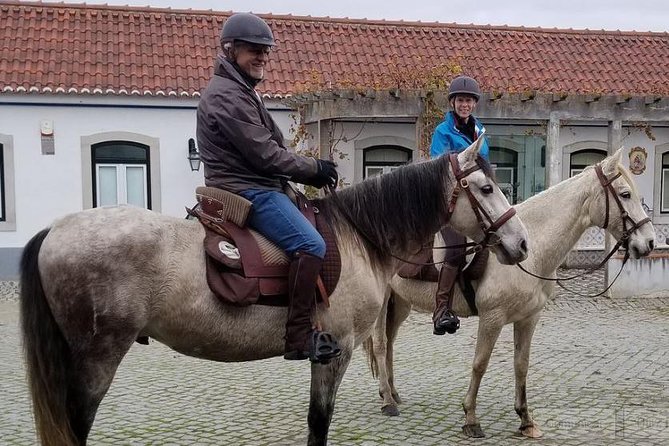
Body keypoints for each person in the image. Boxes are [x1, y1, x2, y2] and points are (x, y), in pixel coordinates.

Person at [196, 13, 341, 363]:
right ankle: (298, 336)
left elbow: (272, 147)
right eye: (253, 50)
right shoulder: (228, 96)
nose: (262, 56)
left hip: (256, 182)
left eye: (265, 50)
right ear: (230, 50)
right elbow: (265, 155)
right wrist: (313, 169)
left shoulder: (242, 92)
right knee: (311, 244)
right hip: (249, 189)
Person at [429, 75, 490, 335]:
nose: (465, 105)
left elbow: (484, 167)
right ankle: (441, 308)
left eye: (469, 101)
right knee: (455, 245)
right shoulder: (442, 132)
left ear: (474, 104)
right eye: (461, 100)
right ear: (453, 103)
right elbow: (438, 166)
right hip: (447, 199)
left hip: (474, 198)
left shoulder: (480, 132)